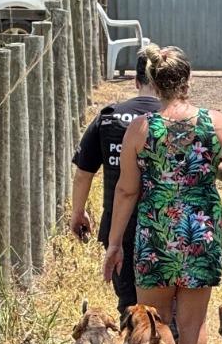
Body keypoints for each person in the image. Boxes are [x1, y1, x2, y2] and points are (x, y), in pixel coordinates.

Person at [104, 45, 222, 344]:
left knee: (156, 320)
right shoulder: (215, 122)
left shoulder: (141, 129)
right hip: (201, 232)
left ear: (153, 82)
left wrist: (115, 244)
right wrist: (209, 170)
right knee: (193, 322)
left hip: (156, 231)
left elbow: (126, 190)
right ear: (188, 80)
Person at [69, 50, 161, 329]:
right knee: (167, 306)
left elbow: (83, 174)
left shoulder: (108, 119)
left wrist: (78, 212)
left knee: (129, 304)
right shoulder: (174, 119)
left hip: (120, 226)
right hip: (165, 223)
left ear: (136, 80)